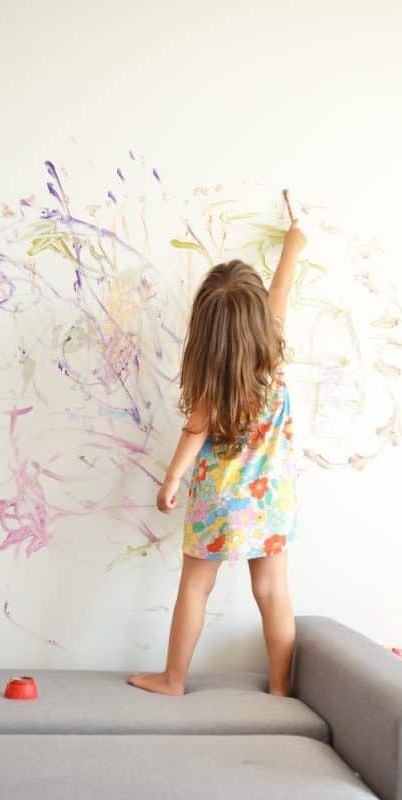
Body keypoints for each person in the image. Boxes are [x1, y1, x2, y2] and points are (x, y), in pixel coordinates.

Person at [128, 214, 307, 696]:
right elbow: (282, 293)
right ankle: (281, 688)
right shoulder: (272, 362)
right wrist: (293, 244)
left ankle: (173, 678)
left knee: (195, 588)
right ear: (257, 320)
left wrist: (170, 483)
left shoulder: (213, 383)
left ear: (206, 330)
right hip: (270, 501)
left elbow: (193, 433)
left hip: (218, 500)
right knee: (273, 594)